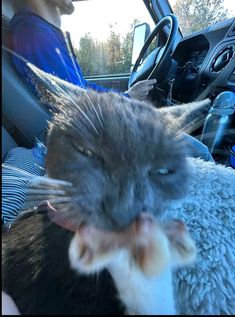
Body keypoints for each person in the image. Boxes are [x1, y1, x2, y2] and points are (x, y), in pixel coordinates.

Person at [10, 0, 157, 101]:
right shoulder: (36, 34)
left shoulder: (42, 33)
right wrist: (128, 98)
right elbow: (78, 103)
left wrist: (126, 96)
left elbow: (81, 87)